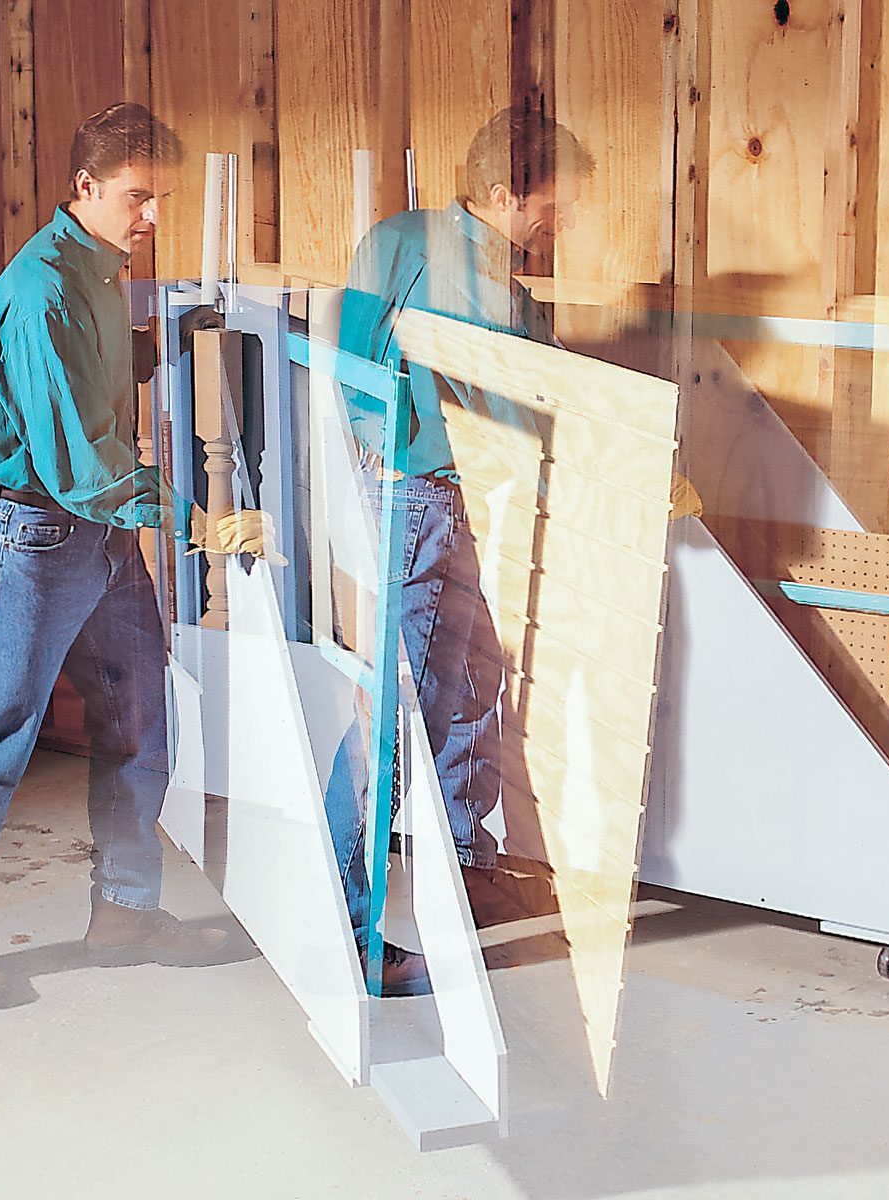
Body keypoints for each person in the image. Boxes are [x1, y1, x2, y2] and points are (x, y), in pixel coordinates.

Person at [0, 102, 265, 1009]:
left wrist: (162, 345)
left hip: (100, 535)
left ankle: (125, 912)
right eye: (139, 197)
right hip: (28, 536)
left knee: (140, 719)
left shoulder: (102, 271)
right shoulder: (42, 289)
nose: (152, 216)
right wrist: (191, 518)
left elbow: (92, 379)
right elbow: (74, 458)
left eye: (162, 200)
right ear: (86, 185)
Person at [325, 108, 595, 995]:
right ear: (501, 191)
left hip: (447, 496)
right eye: (547, 207)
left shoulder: (471, 270)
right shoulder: (435, 261)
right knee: (401, 703)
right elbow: (378, 375)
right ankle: (348, 921)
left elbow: (539, 388)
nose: (553, 224)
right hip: (425, 494)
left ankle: (468, 870)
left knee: (470, 680)